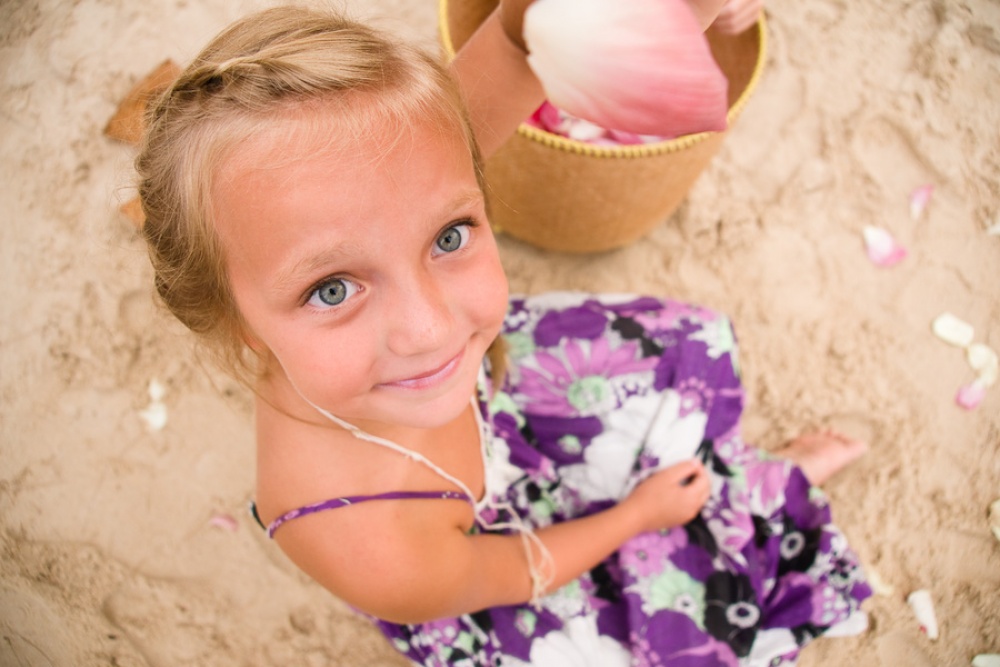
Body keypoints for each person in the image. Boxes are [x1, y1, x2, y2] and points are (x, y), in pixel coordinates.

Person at [136, 1, 870, 665]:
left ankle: (734, 479)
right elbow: (520, 569)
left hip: (502, 407)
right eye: (332, 289)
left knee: (664, 390)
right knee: (669, 597)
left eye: (448, 236)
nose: (430, 328)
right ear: (236, 323)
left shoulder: (400, 186)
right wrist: (637, 516)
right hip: (503, 561)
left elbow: (528, 35)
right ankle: (763, 496)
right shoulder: (362, 538)